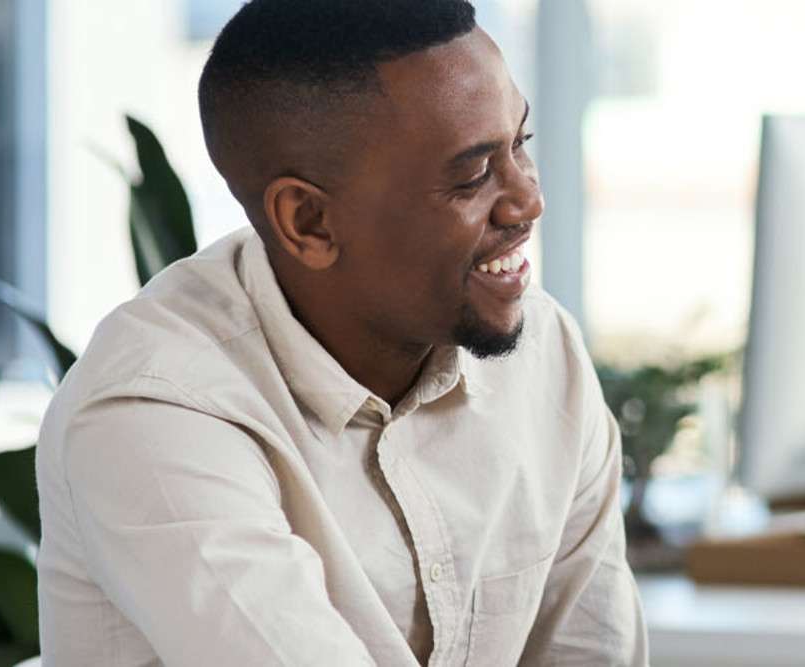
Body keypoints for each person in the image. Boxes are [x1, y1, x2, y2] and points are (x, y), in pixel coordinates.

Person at [34, 1, 646, 664]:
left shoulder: (543, 357)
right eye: (471, 174)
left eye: (519, 145)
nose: (528, 200)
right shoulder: (156, 411)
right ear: (309, 223)